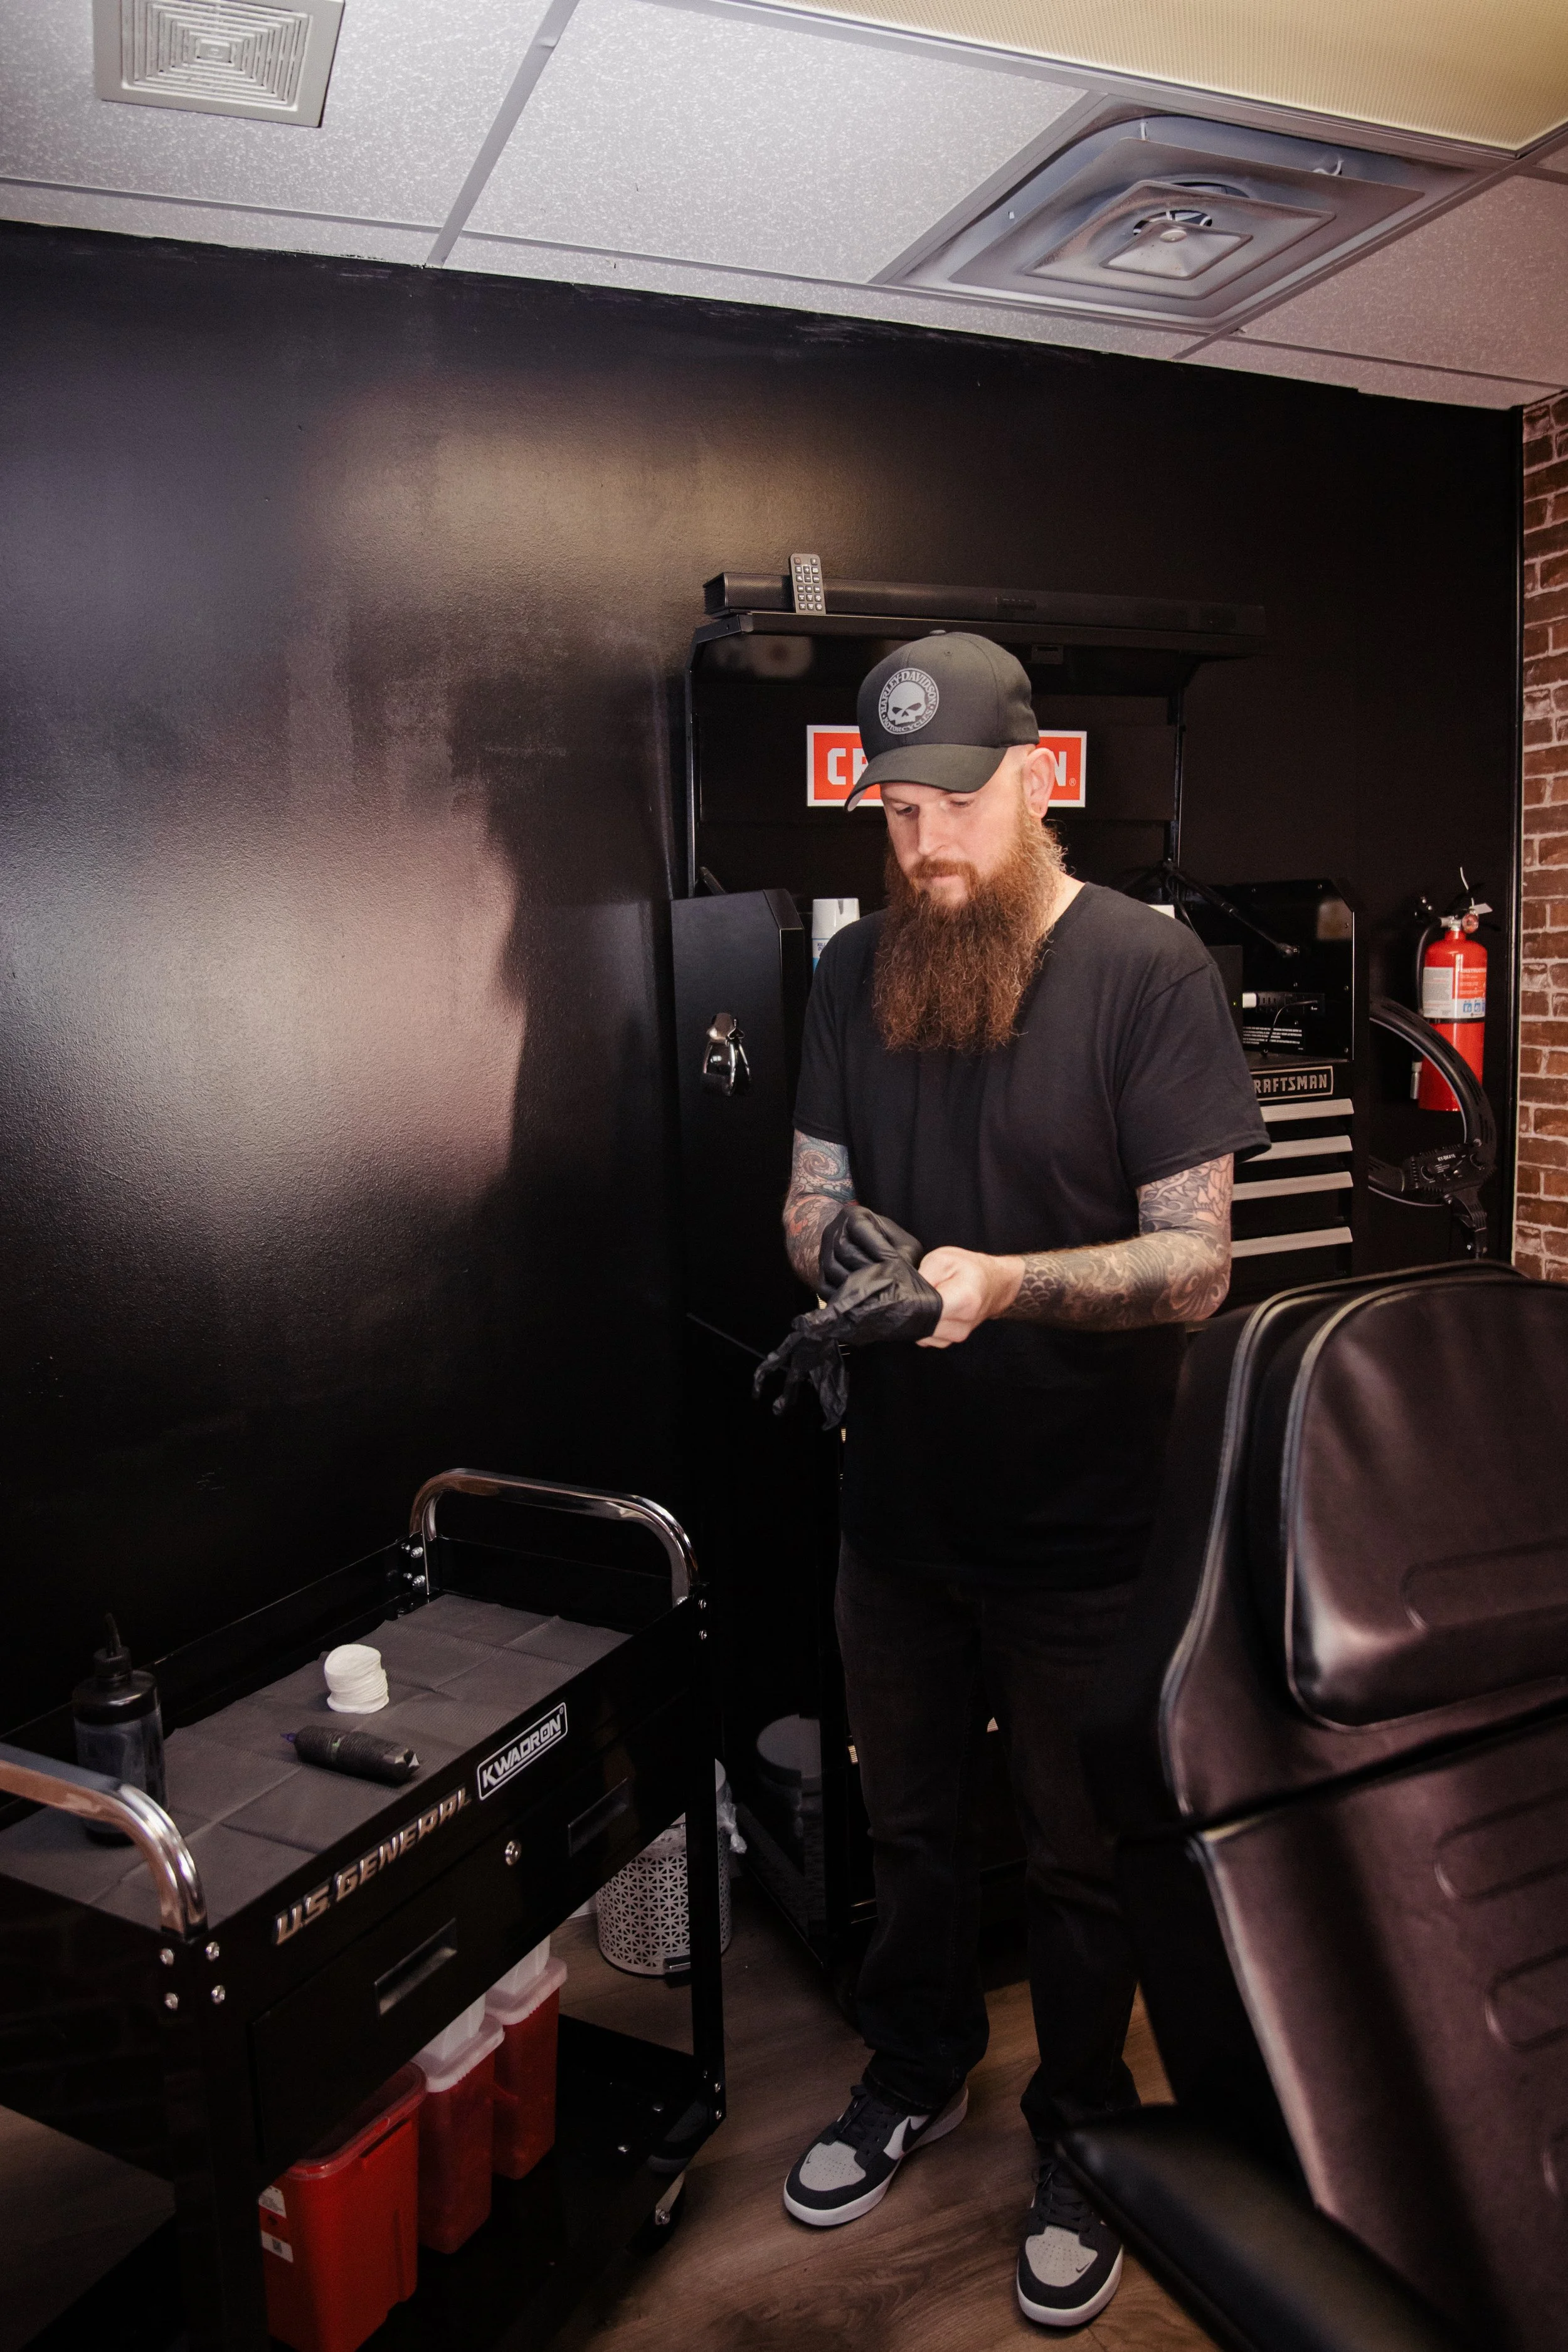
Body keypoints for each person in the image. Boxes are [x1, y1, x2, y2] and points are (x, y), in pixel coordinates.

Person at [777, 632, 1268, 2328]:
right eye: (892, 813)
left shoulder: (1147, 973)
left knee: (1075, 1854)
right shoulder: (856, 975)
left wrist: (995, 1279)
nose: (920, 848)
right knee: (907, 1825)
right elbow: (803, 1190)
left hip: (1085, 1527)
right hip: (896, 1522)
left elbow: (1195, 1261)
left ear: (1038, 780)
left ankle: (1079, 2127)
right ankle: (911, 2063)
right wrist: (831, 1242)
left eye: (951, 806)